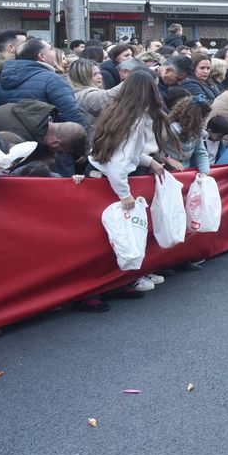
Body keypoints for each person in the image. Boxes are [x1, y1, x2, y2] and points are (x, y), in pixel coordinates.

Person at [87, 70, 172, 295]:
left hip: (103, 173)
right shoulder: (135, 122)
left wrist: (150, 162)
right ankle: (126, 278)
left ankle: (133, 273)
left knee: (120, 230)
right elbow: (118, 162)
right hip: (111, 178)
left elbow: (124, 152)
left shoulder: (120, 112)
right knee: (122, 230)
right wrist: (124, 194)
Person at [0, 39, 88, 127]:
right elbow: (71, 116)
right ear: (41, 56)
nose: (55, 52)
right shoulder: (53, 80)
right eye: (51, 49)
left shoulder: (1, 83)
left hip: (13, 140)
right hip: (50, 140)